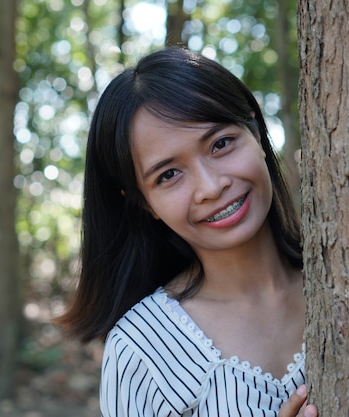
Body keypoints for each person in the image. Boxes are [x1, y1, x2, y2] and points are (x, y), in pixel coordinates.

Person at [58, 47, 318, 417]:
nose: (211, 187)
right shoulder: (141, 350)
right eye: (168, 175)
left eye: (221, 143)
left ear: (257, 134)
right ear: (144, 203)